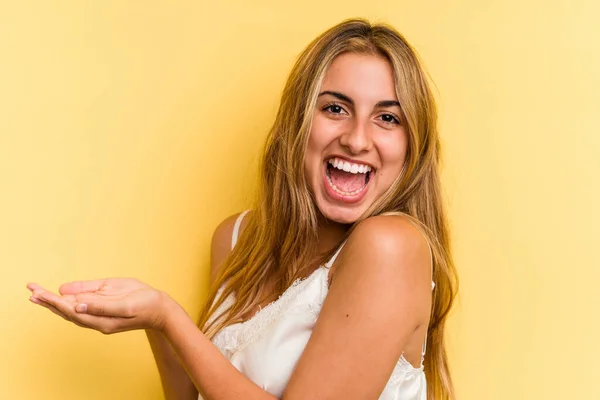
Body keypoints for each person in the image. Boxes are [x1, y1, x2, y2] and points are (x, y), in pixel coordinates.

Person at [27, 18, 458, 400]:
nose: (357, 139)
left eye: (387, 118)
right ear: (298, 123)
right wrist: (154, 324)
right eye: (334, 108)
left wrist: (169, 316)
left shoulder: (391, 246)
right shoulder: (237, 238)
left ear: (411, 146)